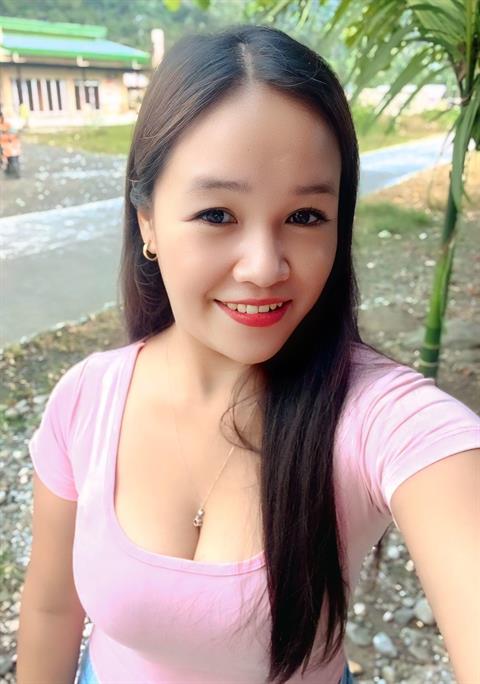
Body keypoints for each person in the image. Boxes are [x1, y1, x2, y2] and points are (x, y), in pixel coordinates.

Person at [16, 24, 479, 684]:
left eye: (305, 217)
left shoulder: (376, 415)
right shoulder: (86, 400)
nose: (264, 267)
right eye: (217, 214)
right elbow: (52, 609)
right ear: (148, 220)